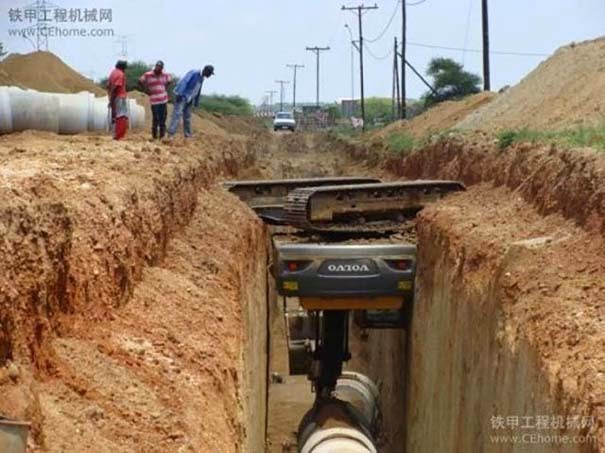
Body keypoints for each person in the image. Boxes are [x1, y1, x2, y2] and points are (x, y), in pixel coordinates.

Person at [167, 65, 214, 138]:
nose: (210, 76)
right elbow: (184, 81)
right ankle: (170, 134)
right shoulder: (194, 73)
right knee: (177, 115)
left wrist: (196, 102)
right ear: (206, 71)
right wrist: (179, 93)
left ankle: (188, 135)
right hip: (182, 96)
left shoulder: (202, 78)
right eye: (210, 74)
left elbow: (198, 89)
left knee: (187, 117)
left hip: (189, 99)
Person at [138, 60, 172, 139]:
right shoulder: (148, 75)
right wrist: (146, 89)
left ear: (162, 68)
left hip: (163, 99)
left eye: (160, 67)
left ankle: (162, 136)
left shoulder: (165, 75)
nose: (158, 69)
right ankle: (154, 136)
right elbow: (140, 81)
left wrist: (165, 87)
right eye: (157, 66)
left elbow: (170, 80)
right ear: (155, 66)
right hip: (154, 100)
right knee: (156, 118)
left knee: (163, 118)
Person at [107, 60, 129, 140]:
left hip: (114, 97)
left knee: (115, 116)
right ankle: (119, 135)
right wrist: (113, 96)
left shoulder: (113, 73)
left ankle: (115, 133)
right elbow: (116, 86)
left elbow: (108, 85)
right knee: (121, 115)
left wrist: (111, 98)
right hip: (120, 96)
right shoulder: (120, 74)